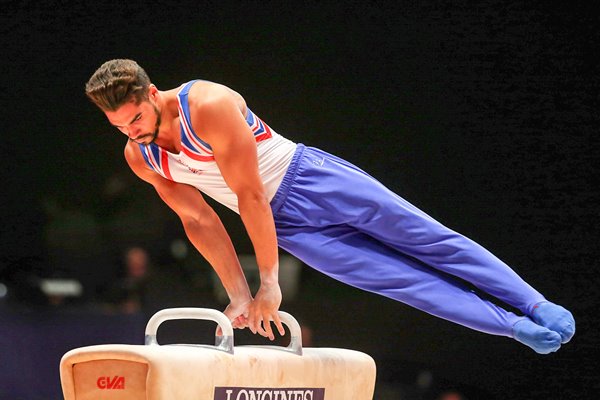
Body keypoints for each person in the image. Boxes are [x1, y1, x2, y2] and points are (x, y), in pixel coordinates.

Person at [84, 59, 575, 354]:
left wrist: (269, 283)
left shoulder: (206, 105)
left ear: (152, 94)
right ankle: (514, 327)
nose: (133, 132)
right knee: (402, 283)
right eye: (119, 127)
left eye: (136, 118)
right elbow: (198, 218)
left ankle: (533, 302)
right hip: (289, 228)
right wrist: (238, 294)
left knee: (430, 242)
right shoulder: (140, 156)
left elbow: (250, 193)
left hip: (312, 180)